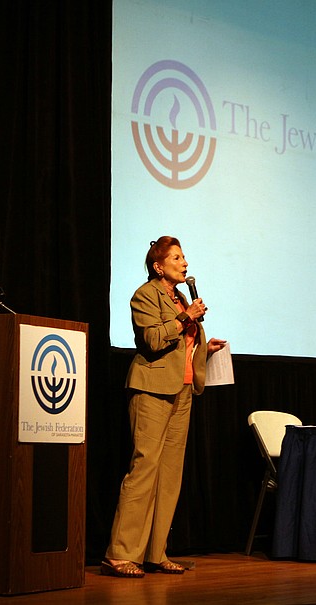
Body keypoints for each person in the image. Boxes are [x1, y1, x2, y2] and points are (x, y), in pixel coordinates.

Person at [102, 236, 226, 578]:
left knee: (169, 475)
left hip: (182, 390)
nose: (184, 262)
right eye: (176, 257)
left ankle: (155, 553)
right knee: (144, 469)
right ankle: (120, 554)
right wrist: (187, 317)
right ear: (159, 266)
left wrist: (206, 348)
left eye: (184, 256)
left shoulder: (179, 296)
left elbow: (181, 346)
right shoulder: (145, 295)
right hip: (152, 389)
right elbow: (152, 340)